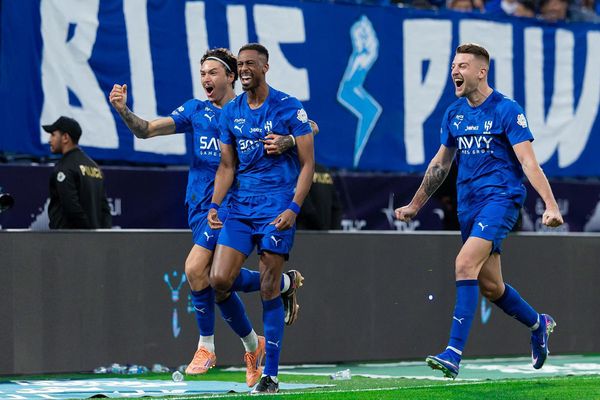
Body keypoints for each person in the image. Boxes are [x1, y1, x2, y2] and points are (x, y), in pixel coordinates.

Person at [108, 48, 305, 387]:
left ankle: (206, 346)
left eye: (213, 72)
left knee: (194, 268)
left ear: (231, 76)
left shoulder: (248, 109)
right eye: (202, 73)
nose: (206, 79)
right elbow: (146, 130)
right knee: (218, 281)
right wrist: (124, 110)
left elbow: (307, 125)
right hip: (200, 206)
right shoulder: (195, 111)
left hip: (233, 204)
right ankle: (257, 336)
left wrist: (287, 140)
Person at [395, 43, 563, 379]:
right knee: (491, 286)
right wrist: (415, 204)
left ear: (481, 72)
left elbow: (528, 162)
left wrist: (550, 204)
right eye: (453, 66)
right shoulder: (454, 113)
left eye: (462, 66)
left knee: (464, 263)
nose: (454, 72)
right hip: (468, 205)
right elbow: (440, 164)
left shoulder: (506, 109)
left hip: (501, 199)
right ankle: (538, 324)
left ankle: (453, 353)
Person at [208, 43, 315, 393]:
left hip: (276, 207)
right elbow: (227, 166)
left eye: (250, 64)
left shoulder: (288, 106)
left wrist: (293, 208)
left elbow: (308, 164)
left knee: (266, 286)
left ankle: (271, 375)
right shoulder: (231, 112)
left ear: (265, 67)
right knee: (219, 280)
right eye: (240, 64)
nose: (244, 69)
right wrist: (215, 204)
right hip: (240, 208)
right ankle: (284, 288)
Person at [44, 116, 112, 229]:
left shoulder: (64, 167)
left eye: (53, 135)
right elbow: (105, 210)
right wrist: (98, 234)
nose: (49, 140)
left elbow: (71, 207)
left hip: (68, 237)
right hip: (94, 238)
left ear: (65, 138)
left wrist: (86, 232)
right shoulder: (95, 167)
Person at [296, 163, 343, 230]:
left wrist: (329, 229)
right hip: (321, 228)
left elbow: (305, 205)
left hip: (306, 229)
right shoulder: (324, 170)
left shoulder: (296, 169)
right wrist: (333, 230)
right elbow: (336, 207)